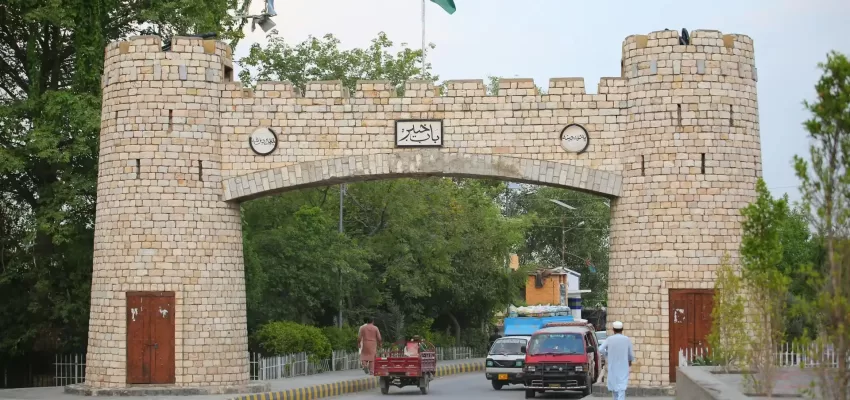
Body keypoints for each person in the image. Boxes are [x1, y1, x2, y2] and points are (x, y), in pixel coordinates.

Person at [599, 321, 635, 400]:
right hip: (623, 366)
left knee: (614, 387)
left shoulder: (609, 339)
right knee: (621, 387)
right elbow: (631, 354)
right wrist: (630, 361)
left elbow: (601, 349)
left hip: (613, 366)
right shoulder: (626, 339)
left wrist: (606, 355)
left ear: (613, 329)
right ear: (622, 329)